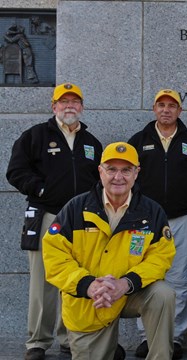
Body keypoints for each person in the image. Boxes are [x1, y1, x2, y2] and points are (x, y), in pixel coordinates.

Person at [41, 142, 176, 360]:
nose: (118, 177)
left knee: (163, 294)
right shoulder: (76, 208)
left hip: (131, 292)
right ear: (100, 171)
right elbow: (54, 255)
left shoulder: (151, 211)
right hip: (89, 300)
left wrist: (126, 283)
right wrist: (89, 285)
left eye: (126, 170)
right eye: (111, 169)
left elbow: (161, 257)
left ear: (136, 173)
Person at [6, 83, 102, 360]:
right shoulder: (35, 136)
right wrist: (41, 190)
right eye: (63, 102)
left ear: (81, 107)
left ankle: (68, 337)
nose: (69, 106)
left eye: (74, 102)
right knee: (43, 282)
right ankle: (37, 341)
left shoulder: (91, 143)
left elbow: (100, 181)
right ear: (54, 106)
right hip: (47, 217)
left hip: (81, 222)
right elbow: (16, 171)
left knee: (74, 280)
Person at [127, 89, 187, 359]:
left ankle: (175, 338)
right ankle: (147, 337)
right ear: (153, 108)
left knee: (180, 278)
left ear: (180, 111)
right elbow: (127, 182)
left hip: (183, 219)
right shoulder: (139, 141)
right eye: (161, 105)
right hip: (144, 221)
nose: (166, 110)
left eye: (172, 106)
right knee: (144, 275)